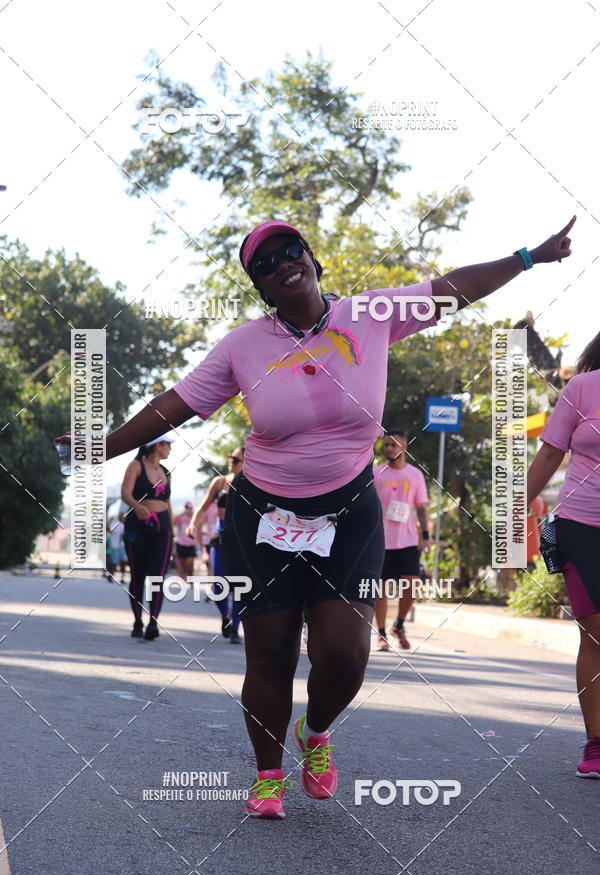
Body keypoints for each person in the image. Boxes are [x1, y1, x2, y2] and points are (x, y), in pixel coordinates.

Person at [57, 214, 574, 817]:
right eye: (266, 263)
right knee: (270, 651)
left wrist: (528, 256)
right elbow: (170, 407)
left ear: (312, 257)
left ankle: (317, 731)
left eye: (290, 250)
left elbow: (454, 288)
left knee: (347, 655)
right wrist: (98, 446)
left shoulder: (370, 315)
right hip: (263, 515)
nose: (283, 263)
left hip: (348, 509)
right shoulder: (242, 348)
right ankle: (269, 774)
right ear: (260, 286)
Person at [526, 330, 600, 777]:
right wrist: (516, 514)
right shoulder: (582, 388)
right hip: (580, 524)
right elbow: (550, 453)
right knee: (594, 630)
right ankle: (596, 743)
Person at [373, 430, 430, 651]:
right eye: (386, 445)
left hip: (407, 540)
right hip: (381, 540)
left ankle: (399, 624)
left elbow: (422, 508)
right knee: (382, 589)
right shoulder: (377, 474)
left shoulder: (415, 475)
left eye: (393, 445)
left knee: (413, 584)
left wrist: (425, 537)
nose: (389, 448)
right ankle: (380, 634)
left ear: (404, 448)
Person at [188, 449, 245, 643]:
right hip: (220, 536)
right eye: (230, 458)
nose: (231, 461)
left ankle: (236, 629)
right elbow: (203, 506)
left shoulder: (254, 482)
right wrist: (193, 524)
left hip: (242, 539)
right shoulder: (220, 482)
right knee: (218, 586)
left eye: (236, 459)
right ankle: (226, 617)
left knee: (239, 586)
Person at [121, 435, 174, 640]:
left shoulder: (166, 472)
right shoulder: (136, 466)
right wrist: (137, 506)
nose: (170, 449)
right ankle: (137, 620)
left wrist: (173, 534)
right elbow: (125, 493)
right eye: (167, 445)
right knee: (138, 575)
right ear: (156, 445)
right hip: (138, 524)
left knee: (158, 576)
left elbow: (168, 503)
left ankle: (153, 622)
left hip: (162, 526)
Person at [173, 502, 197, 581]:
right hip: (181, 543)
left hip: (191, 544)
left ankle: (190, 580)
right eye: (187, 508)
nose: (188, 509)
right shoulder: (181, 516)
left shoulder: (194, 516)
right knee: (182, 564)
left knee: (190, 563)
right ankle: (182, 581)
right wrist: (182, 513)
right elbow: (173, 522)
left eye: (190, 508)